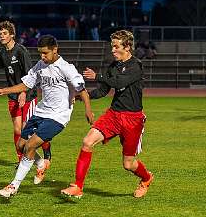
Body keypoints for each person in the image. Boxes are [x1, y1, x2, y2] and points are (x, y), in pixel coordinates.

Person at [0, 35, 94, 198]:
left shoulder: (66, 68)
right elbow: (26, 84)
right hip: (41, 112)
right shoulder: (40, 65)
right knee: (20, 145)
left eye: (45, 53)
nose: (42, 57)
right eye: (40, 53)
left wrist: (88, 110)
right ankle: (40, 164)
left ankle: (13, 186)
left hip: (58, 117)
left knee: (30, 146)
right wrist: (3, 90)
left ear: (55, 50)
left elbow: (82, 90)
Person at [61, 30, 153, 199]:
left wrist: (98, 76)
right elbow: (103, 91)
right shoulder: (113, 66)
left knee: (128, 164)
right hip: (113, 115)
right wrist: (83, 96)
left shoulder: (136, 65)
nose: (112, 50)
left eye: (116, 46)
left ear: (126, 46)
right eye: (112, 46)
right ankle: (78, 187)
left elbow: (120, 82)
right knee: (87, 142)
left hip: (132, 119)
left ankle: (146, 178)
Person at [0, 21, 52, 166]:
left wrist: (24, 92)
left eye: (5, 33)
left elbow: (31, 74)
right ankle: (21, 160)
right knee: (17, 129)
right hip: (12, 96)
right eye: (0, 34)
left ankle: (46, 149)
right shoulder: (4, 52)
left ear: (12, 34)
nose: (2, 36)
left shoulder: (21, 51)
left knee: (27, 129)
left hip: (28, 95)